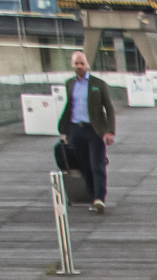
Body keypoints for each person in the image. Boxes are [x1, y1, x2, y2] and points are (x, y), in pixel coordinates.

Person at [56, 49, 116, 214]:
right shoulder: (69, 84)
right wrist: (64, 130)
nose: (79, 66)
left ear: (87, 64)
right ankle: (92, 196)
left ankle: (99, 198)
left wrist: (109, 131)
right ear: (72, 65)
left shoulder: (98, 84)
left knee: (97, 164)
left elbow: (109, 108)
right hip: (76, 129)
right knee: (84, 166)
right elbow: (69, 107)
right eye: (76, 64)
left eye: (82, 63)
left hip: (94, 130)